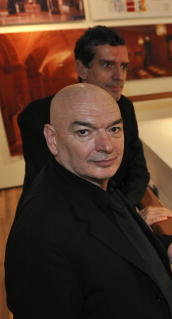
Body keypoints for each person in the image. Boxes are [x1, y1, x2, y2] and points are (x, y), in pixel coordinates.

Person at [5, 83, 172, 319]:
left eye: (114, 129)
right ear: (52, 139)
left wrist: (160, 247)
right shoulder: (40, 234)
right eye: (84, 132)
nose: (106, 146)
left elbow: (109, 241)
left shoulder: (92, 179)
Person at [18, 26, 150, 209]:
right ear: (82, 69)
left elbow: (138, 170)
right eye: (107, 65)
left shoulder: (124, 107)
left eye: (124, 66)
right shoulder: (38, 115)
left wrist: (124, 213)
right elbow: (53, 187)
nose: (119, 76)